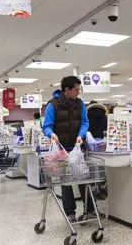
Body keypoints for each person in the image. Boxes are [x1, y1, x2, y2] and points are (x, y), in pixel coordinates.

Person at [43, 76, 103, 222]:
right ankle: (70, 214)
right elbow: (46, 126)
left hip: (78, 148)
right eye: (76, 89)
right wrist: (51, 134)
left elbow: (84, 122)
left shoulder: (80, 103)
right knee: (66, 182)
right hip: (61, 150)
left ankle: (89, 210)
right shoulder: (53, 105)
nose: (78, 92)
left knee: (84, 178)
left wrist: (81, 135)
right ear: (67, 90)